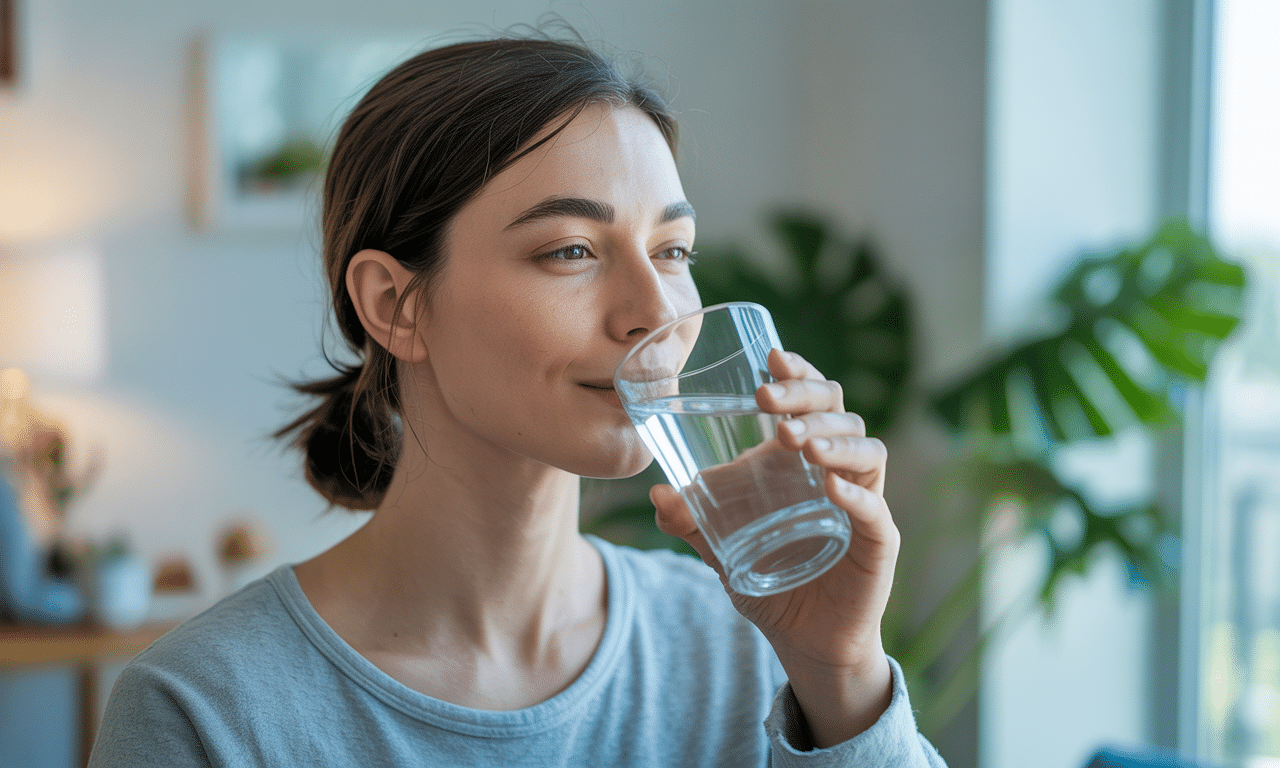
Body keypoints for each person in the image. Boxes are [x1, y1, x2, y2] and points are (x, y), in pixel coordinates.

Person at [90, 34, 947, 767]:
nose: (655, 313)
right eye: (572, 251)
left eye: (674, 250)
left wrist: (839, 671)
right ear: (395, 304)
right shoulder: (203, 710)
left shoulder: (748, 648)